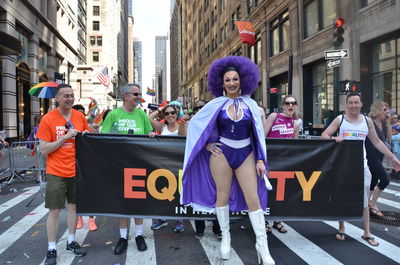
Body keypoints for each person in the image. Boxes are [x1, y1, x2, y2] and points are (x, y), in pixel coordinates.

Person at [181, 56, 275, 264]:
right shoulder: (215, 104)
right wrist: (207, 145)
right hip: (221, 154)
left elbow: (258, 136)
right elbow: (194, 125)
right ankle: (226, 238)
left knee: (254, 199)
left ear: (242, 80)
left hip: (245, 154)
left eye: (235, 79)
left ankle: (262, 245)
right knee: (221, 196)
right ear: (221, 83)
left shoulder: (251, 105)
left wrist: (261, 160)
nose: (231, 83)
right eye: (227, 80)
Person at [321, 92, 400, 247]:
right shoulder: (340, 119)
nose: (353, 106)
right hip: (342, 166)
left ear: (361, 104)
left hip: (362, 165)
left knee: (364, 200)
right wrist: (333, 138)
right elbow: (324, 135)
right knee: (342, 197)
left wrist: (394, 158)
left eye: (356, 102)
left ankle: (367, 232)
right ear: (347, 104)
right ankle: (342, 227)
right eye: (350, 103)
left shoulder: (367, 121)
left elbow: (377, 142)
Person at [36, 84, 90, 265]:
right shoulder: (48, 119)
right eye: (66, 96)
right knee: (54, 211)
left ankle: (71, 241)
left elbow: (88, 136)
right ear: (57, 98)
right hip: (56, 172)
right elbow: (44, 149)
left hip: (76, 170)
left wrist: (85, 134)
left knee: (74, 208)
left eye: (72, 95)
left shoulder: (79, 116)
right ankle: (52, 248)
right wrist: (65, 137)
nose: (70, 99)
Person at [100, 83, 156, 254]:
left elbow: (149, 134)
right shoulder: (113, 115)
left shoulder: (142, 115)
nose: (138, 97)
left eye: (138, 94)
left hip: (138, 165)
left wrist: (152, 134)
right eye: (135, 94)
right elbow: (102, 138)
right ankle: (123, 237)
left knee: (138, 202)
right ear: (125, 96)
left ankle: (139, 235)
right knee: (122, 204)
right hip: (118, 166)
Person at [263, 95, 301, 234]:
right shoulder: (274, 116)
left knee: (280, 192)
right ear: (283, 105)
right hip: (270, 159)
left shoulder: (296, 123)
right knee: (267, 189)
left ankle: (277, 219)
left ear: (296, 105)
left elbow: (294, 144)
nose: (290, 105)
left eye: (293, 103)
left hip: (284, 161)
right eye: (287, 103)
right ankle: (265, 220)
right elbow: (263, 136)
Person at [148, 102, 185, 232]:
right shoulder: (162, 126)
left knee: (177, 193)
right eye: (167, 113)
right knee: (161, 192)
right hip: (162, 165)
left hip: (178, 164)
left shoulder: (182, 126)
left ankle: (179, 221)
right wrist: (161, 109)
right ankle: (162, 219)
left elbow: (183, 139)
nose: (170, 115)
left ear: (176, 114)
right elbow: (149, 118)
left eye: (173, 113)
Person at [72, 105, 98, 231]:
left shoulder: (87, 125)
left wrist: (91, 132)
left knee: (89, 190)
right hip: (71, 163)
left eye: (83, 113)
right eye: (78, 113)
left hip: (87, 163)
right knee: (76, 192)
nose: (81, 115)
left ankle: (91, 218)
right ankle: (79, 217)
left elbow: (96, 140)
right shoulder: (67, 125)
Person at [365, 101, 391, 217]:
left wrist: (388, 123)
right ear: (377, 110)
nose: (386, 112)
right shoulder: (370, 123)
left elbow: (389, 138)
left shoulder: (383, 124)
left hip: (379, 156)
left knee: (373, 181)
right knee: (385, 180)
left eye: (387, 109)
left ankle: (365, 204)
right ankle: (372, 204)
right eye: (384, 110)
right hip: (371, 156)